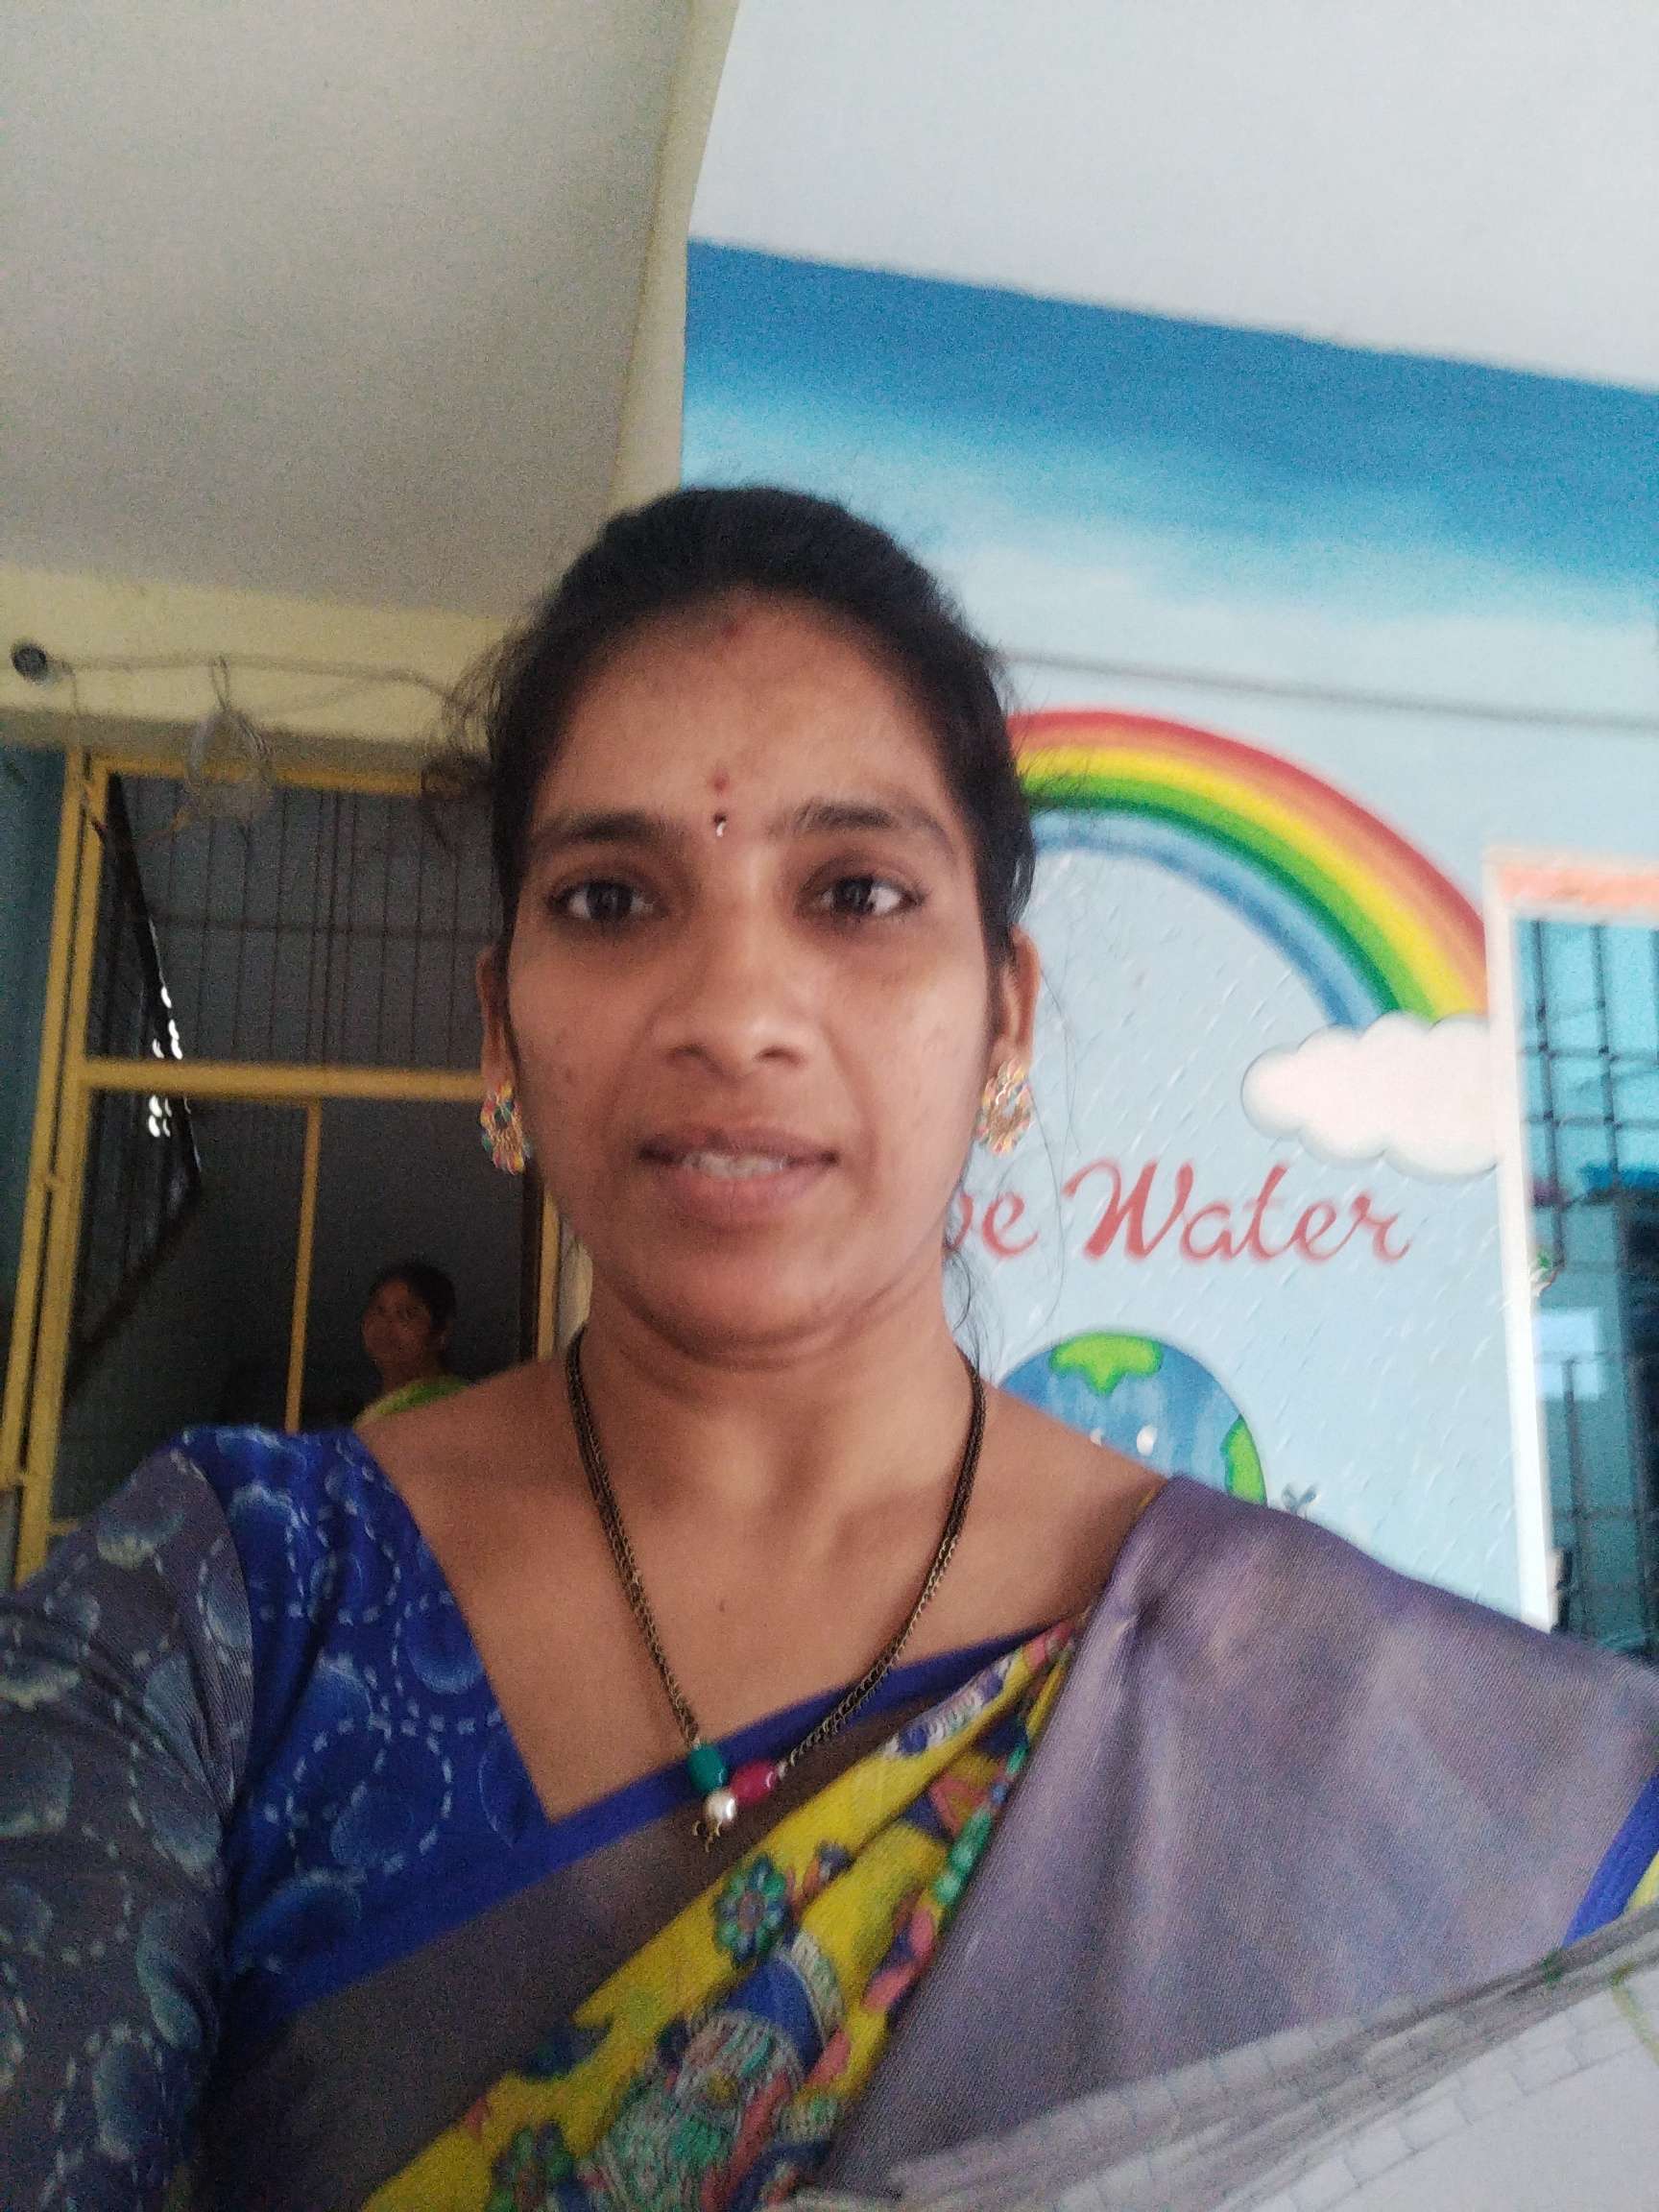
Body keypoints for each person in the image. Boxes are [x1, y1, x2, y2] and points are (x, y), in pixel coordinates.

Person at [1, 486, 1656, 2212]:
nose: (733, 1012)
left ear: (1004, 1019)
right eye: (610, 898)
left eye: (856, 891)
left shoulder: (1327, 1713)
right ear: (501, 1024)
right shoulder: (224, 1614)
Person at [355, 1259, 467, 1425]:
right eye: (378, 1310)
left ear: (442, 1332)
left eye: (406, 1314)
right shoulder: (377, 1412)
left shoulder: (454, 1405)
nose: (385, 1325)